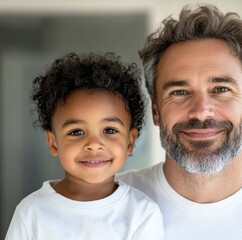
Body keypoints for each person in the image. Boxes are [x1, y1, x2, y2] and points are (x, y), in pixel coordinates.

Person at [117, 4, 242, 239]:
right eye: (179, 92)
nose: (201, 112)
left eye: (221, 89)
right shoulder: (103, 206)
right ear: (155, 109)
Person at [5, 52, 164, 240]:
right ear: (53, 143)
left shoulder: (142, 213)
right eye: (77, 132)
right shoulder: (31, 212)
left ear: (130, 141)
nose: (94, 144)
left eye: (110, 130)